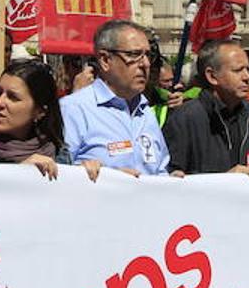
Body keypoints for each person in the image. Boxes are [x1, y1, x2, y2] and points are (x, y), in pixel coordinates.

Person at [60, 19, 170, 178]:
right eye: (134, 55)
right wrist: (109, 179)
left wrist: (172, 181)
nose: (145, 63)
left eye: (148, 55)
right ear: (105, 60)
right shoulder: (73, 109)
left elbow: (159, 169)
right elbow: (57, 174)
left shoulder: (146, 111)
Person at [163, 38, 249, 177]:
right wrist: (225, 180)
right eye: (238, 70)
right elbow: (170, 180)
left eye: (248, 70)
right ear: (212, 76)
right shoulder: (185, 119)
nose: (247, 77)